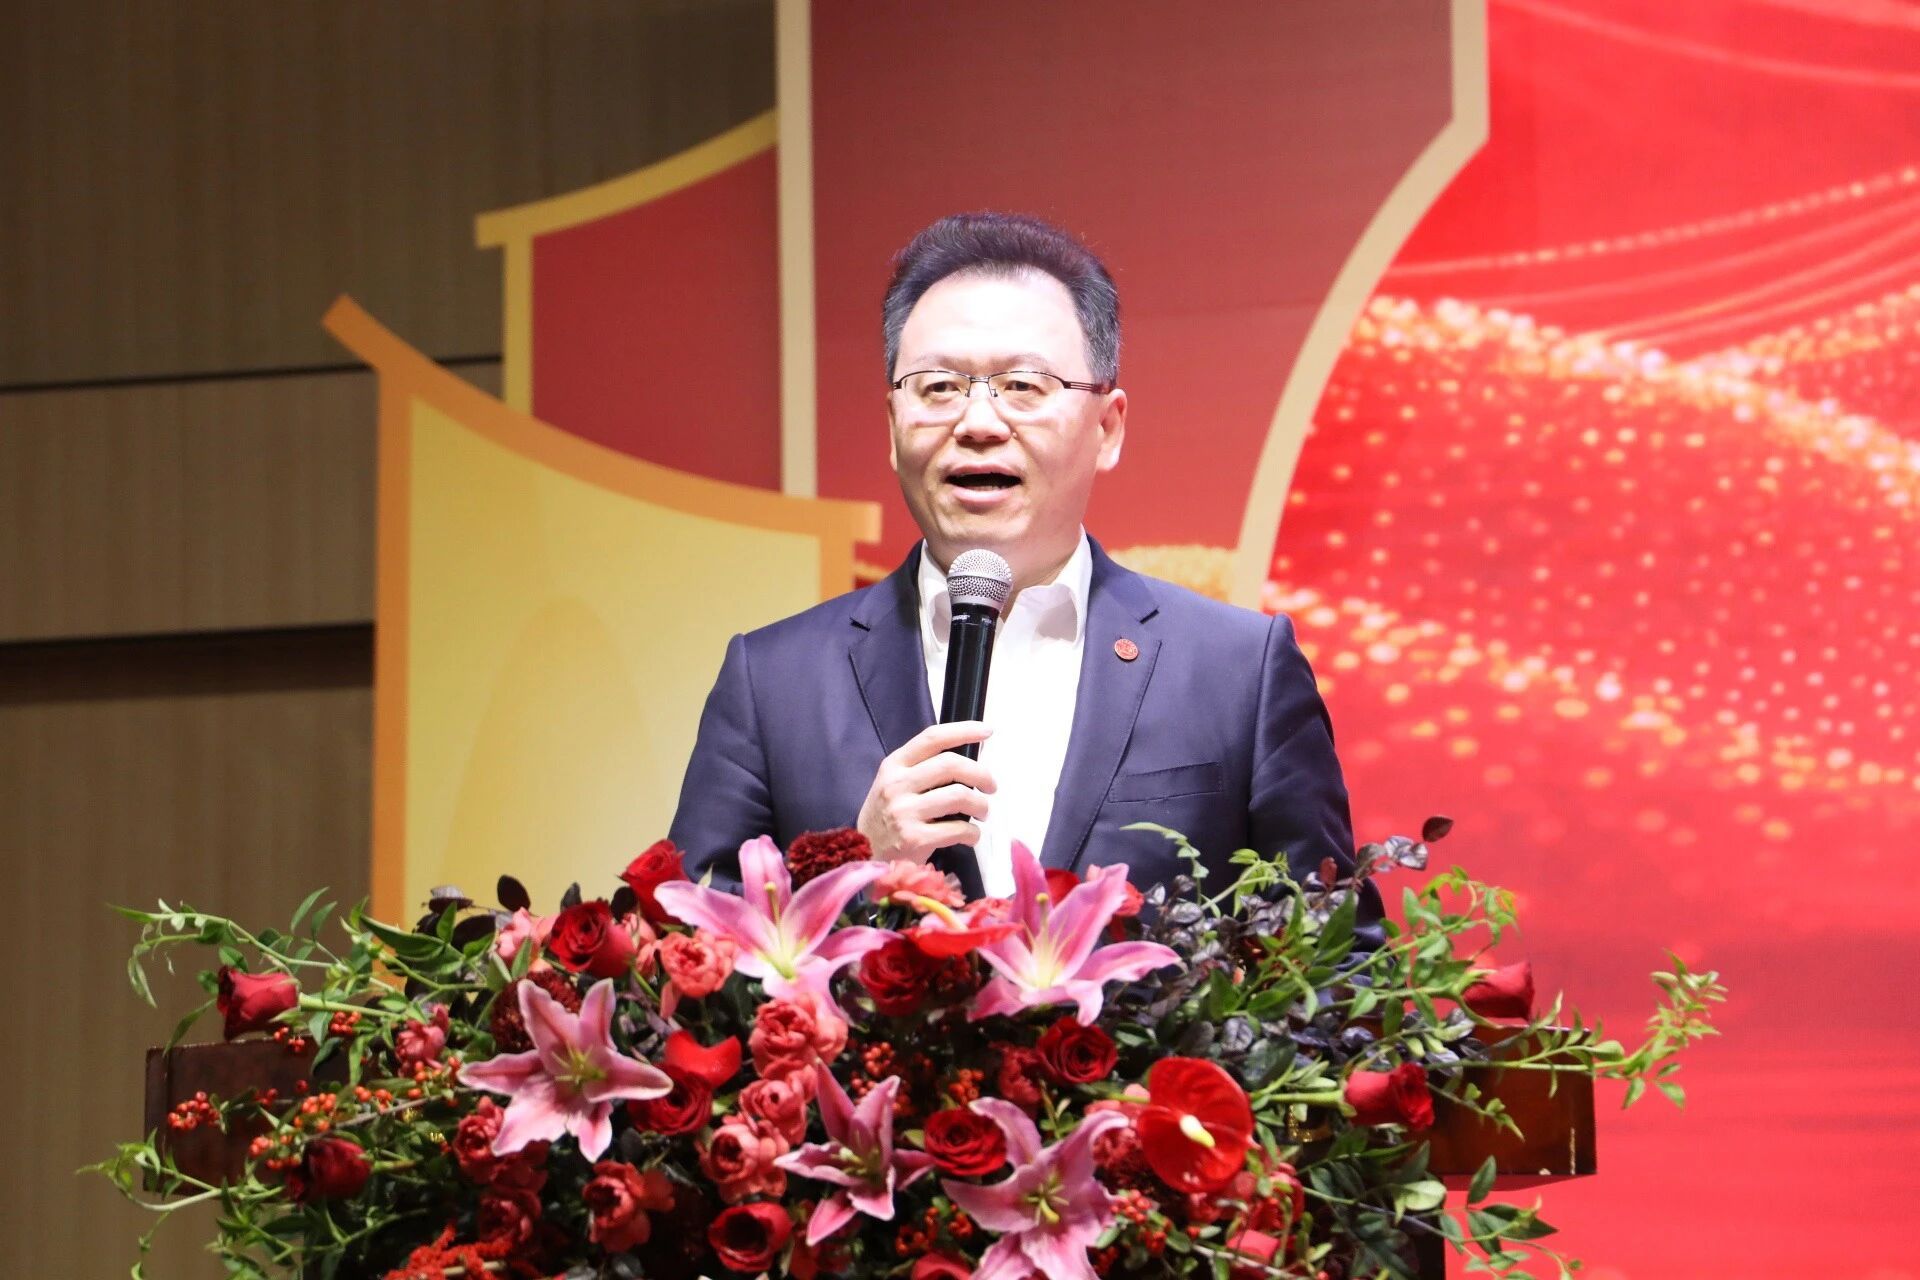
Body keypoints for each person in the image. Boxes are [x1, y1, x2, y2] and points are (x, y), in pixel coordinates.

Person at [670, 212, 1378, 930]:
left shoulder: (1239, 671)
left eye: (1023, 385)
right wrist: (860, 870)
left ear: (1107, 428)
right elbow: (684, 955)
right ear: (891, 425)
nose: (978, 422)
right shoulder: (772, 682)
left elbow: (1337, 957)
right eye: (938, 386)